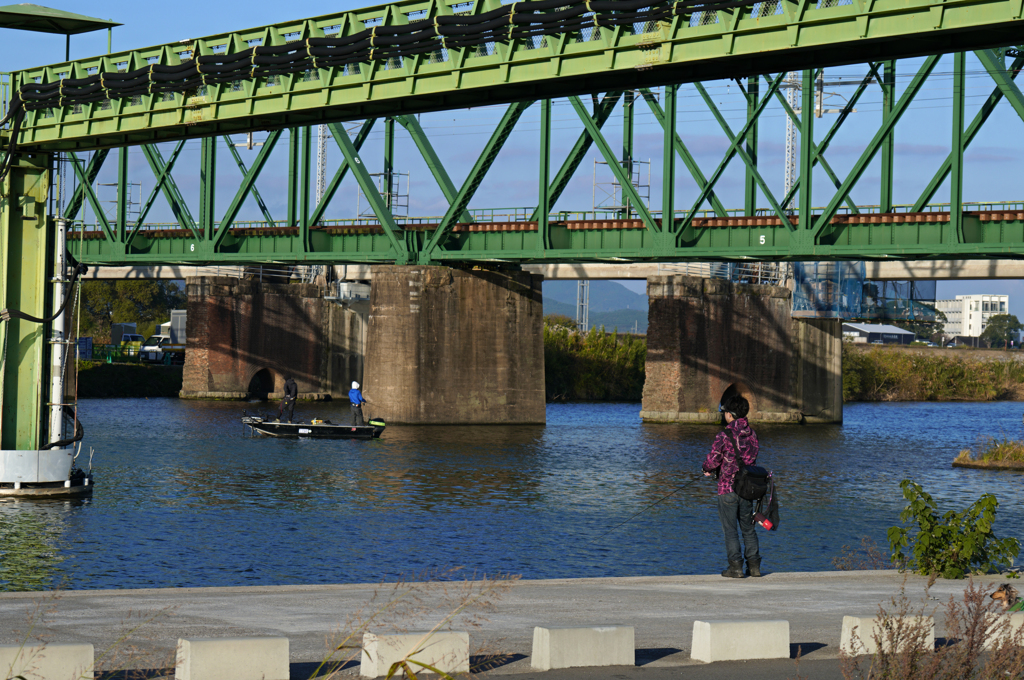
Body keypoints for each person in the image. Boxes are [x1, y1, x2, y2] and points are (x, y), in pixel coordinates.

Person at [702, 394, 762, 578]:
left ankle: (735, 568)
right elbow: (752, 458)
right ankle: (754, 567)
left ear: (730, 414)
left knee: (730, 530)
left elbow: (712, 461)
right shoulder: (752, 434)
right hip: (747, 488)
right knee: (748, 528)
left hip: (727, 489)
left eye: (725, 412)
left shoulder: (724, 435)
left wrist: (707, 469)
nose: (724, 415)